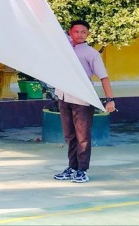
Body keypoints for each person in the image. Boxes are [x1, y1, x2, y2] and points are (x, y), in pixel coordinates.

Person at [53, 20, 116, 183]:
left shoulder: (91, 53)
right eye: (76, 32)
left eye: (83, 32)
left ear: (88, 34)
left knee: (82, 137)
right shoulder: (65, 48)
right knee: (69, 136)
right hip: (64, 97)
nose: (79, 35)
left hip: (82, 100)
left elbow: (104, 77)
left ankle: (82, 170)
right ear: (70, 32)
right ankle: (72, 168)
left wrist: (110, 100)